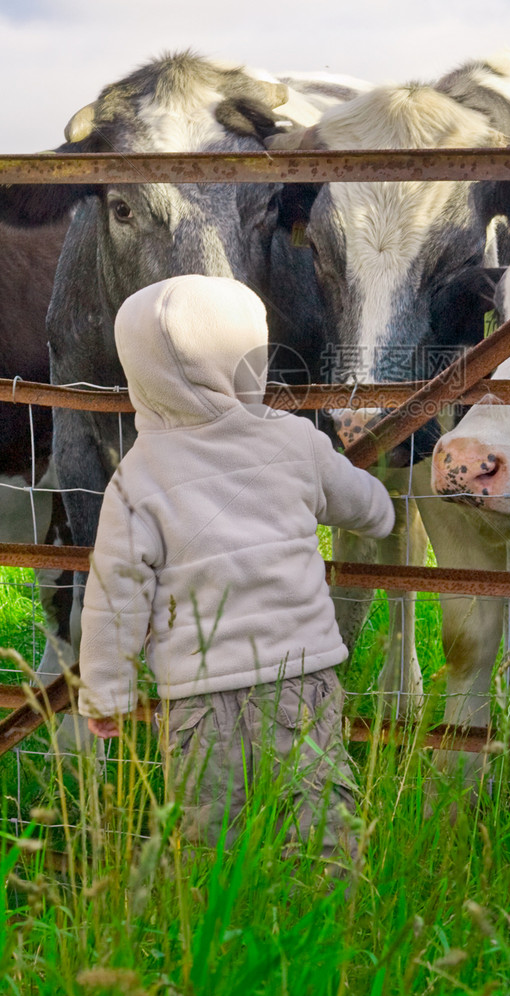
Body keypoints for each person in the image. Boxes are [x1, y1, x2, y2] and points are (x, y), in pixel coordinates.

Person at [77, 274, 395, 859]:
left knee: (207, 835)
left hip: (196, 699)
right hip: (301, 679)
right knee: (319, 816)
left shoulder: (136, 477)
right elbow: (368, 509)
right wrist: (383, 509)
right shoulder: (293, 441)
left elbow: (113, 594)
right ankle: (330, 928)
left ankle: (218, 934)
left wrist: (107, 692)